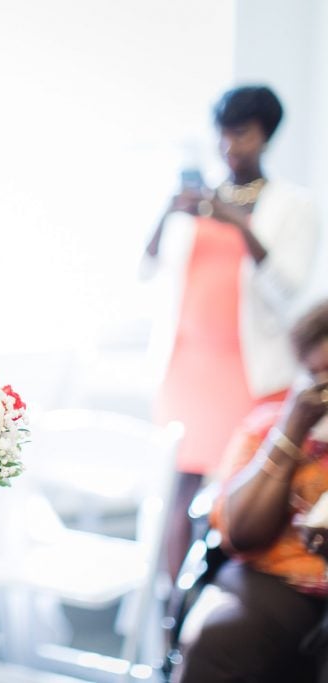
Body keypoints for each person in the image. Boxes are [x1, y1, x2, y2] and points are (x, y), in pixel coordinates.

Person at [142, 85, 321, 578]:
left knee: (237, 489)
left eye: (240, 135)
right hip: (187, 367)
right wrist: (166, 211)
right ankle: (167, 608)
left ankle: (217, 590)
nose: (228, 147)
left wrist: (239, 225)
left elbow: (289, 291)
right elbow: (147, 269)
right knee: (177, 489)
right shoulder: (199, 199)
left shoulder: (295, 206)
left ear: (265, 136)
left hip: (250, 370)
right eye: (222, 135)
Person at [173, 300, 328, 682]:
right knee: (220, 639)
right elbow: (241, 534)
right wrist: (290, 434)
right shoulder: (268, 428)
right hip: (276, 581)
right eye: (316, 377)